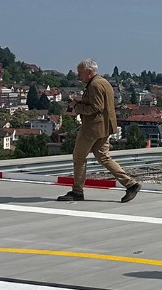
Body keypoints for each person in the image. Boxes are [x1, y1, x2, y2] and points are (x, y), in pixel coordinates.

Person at [56, 59, 140, 203]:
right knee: (103, 157)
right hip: (105, 127)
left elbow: (95, 108)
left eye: (80, 73)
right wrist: (80, 102)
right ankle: (131, 184)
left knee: (79, 157)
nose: (79, 76)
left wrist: (77, 107)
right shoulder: (103, 82)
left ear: (89, 72)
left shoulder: (94, 85)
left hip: (92, 128)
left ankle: (77, 191)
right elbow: (100, 104)